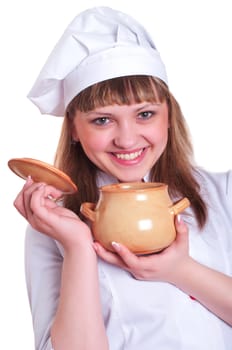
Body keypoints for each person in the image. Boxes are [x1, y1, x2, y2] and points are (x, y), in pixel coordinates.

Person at [13, 6, 232, 350]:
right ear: (74, 127)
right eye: (102, 120)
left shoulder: (224, 194)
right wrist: (78, 247)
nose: (127, 140)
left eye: (145, 114)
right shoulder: (52, 227)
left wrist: (180, 270)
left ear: (169, 115)